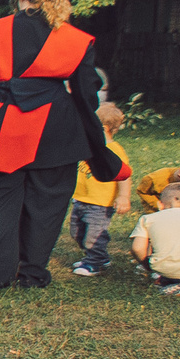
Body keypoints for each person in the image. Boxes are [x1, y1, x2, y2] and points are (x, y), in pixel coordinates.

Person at [0, 0, 124, 290]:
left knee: (0, 199)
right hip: (57, 127)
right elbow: (86, 98)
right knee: (48, 202)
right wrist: (96, 145)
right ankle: (30, 273)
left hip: (3, 127)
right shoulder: (76, 40)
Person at [67, 103, 132, 277]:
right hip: (80, 199)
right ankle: (99, 257)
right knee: (76, 232)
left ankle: (94, 263)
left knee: (94, 235)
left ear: (102, 127)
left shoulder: (113, 150)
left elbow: (124, 175)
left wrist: (124, 196)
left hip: (100, 204)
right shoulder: (87, 146)